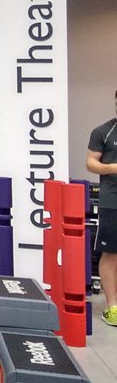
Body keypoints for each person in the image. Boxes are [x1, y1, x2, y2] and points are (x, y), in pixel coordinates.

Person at [86, 88, 117, 327]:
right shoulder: (103, 132)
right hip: (112, 201)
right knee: (111, 253)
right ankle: (112, 307)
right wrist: (114, 168)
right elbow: (91, 163)